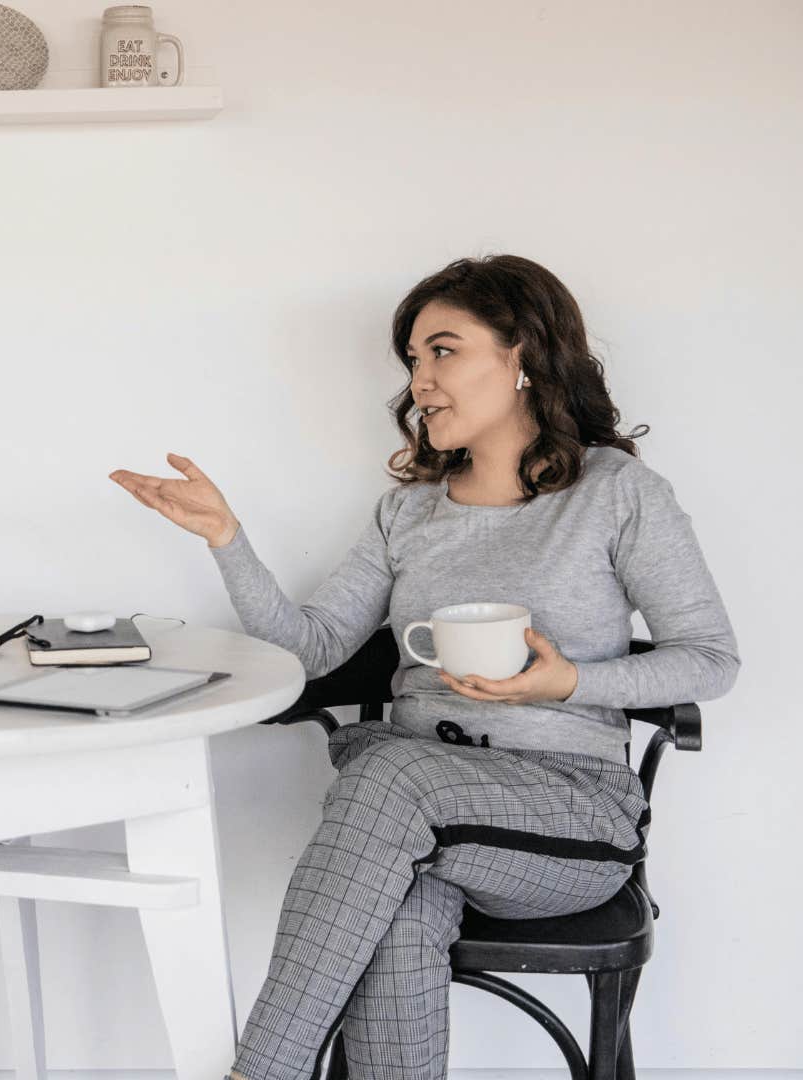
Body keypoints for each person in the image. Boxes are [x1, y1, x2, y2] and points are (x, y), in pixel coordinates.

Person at [110, 255, 738, 1080]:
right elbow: (312, 650)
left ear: (523, 357)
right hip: (411, 822)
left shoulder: (616, 494)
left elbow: (711, 660)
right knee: (399, 910)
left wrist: (570, 683)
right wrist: (228, 540)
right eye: (412, 359)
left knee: (386, 778)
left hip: (566, 818)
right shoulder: (407, 510)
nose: (421, 381)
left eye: (444, 351)